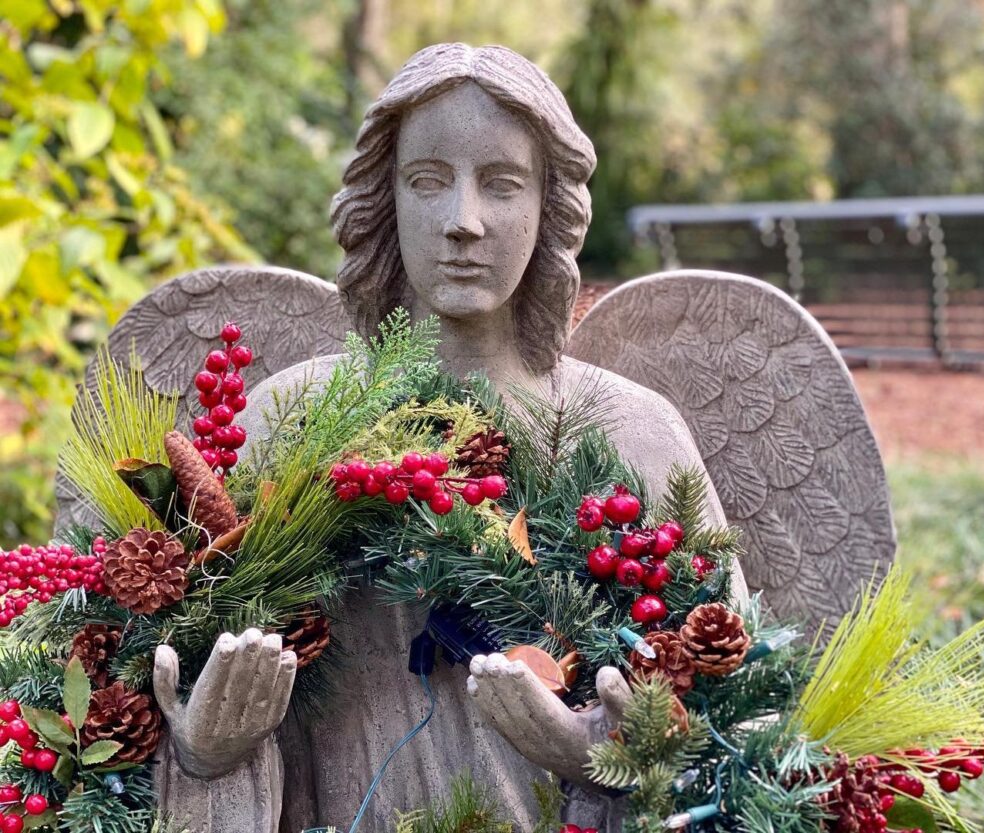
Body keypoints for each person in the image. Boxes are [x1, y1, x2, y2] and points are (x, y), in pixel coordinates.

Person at [152, 43, 745, 833]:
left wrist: (599, 753)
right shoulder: (285, 420)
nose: (463, 221)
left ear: (550, 206)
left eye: (502, 184)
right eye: (428, 181)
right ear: (384, 199)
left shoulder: (633, 435)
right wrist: (207, 754)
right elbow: (151, 687)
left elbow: (745, 719)